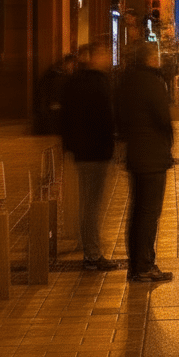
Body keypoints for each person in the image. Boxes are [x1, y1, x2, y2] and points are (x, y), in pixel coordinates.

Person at [116, 40, 174, 282]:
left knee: (137, 212)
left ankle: (135, 264)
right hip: (152, 157)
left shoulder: (127, 81)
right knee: (149, 213)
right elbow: (163, 118)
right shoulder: (152, 82)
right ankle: (144, 265)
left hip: (136, 155)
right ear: (151, 58)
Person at [60, 42, 118, 272]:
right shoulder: (96, 83)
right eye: (103, 53)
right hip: (95, 152)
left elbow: (67, 118)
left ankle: (88, 247)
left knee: (89, 202)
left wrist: (71, 146)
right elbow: (103, 118)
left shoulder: (77, 81)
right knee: (92, 203)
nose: (106, 56)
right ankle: (92, 254)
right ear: (92, 57)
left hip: (84, 151)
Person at [33, 53, 75, 136]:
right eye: (72, 65)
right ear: (67, 63)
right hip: (51, 112)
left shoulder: (55, 74)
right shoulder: (58, 77)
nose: (72, 68)